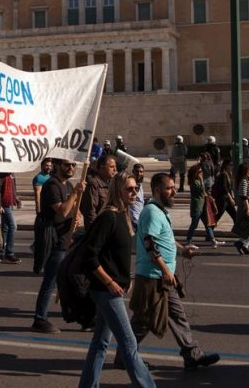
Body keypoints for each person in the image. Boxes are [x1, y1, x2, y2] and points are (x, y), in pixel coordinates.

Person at [129, 172, 220, 371]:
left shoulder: (160, 211)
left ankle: (191, 354)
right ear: (156, 190)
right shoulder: (152, 212)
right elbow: (149, 243)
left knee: (177, 316)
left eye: (173, 187)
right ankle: (125, 356)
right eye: (169, 188)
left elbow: (166, 239)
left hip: (161, 276)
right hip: (153, 277)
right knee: (143, 321)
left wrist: (183, 250)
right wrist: (165, 270)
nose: (173, 192)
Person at [78, 172, 156, 388]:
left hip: (114, 288)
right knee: (129, 343)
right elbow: (90, 255)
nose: (134, 192)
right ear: (118, 191)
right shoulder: (109, 217)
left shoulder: (124, 215)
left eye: (136, 187)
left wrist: (126, 277)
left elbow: (115, 255)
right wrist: (110, 282)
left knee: (100, 343)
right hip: (106, 290)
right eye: (129, 189)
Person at [31, 159, 85, 334]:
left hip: (67, 239)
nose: (70, 168)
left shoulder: (68, 185)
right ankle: (39, 319)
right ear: (58, 166)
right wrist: (75, 194)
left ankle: (80, 315)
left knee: (73, 279)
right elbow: (61, 212)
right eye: (66, 165)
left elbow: (75, 210)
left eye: (73, 165)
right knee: (50, 281)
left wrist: (78, 218)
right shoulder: (52, 185)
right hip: (55, 240)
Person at [185, 165, 223, 248]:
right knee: (194, 225)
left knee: (207, 224)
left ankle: (213, 241)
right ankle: (188, 241)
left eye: (201, 171)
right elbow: (202, 191)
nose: (201, 173)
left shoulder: (198, 181)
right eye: (200, 171)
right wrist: (202, 180)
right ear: (196, 173)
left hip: (203, 206)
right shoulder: (194, 182)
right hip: (197, 207)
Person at [79, 155, 116, 230]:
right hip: (98, 229)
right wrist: (94, 232)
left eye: (115, 167)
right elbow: (90, 212)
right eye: (111, 167)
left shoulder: (110, 183)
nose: (115, 169)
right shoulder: (93, 184)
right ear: (102, 167)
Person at [0, 172, 22, 264]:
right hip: (4, 204)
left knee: (5, 228)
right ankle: (9, 253)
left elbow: (14, 187)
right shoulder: (0, 173)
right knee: (13, 226)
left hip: (10, 203)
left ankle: (1, 252)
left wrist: (16, 198)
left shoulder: (12, 173)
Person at [233, 162, 249, 255]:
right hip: (245, 207)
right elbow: (243, 196)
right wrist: (248, 209)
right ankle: (241, 243)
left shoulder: (246, 180)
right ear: (246, 170)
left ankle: (244, 245)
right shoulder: (243, 181)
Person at [211, 158, 236, 223]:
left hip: (227, 199)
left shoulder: (229, 174)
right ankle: (209, 230)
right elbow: (224, 188)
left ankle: (239, 232)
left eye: (232, 165)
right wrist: (231, 199)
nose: (232, 166)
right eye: (230, 165)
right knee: (217, 216)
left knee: (235, 216)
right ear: (226, 165)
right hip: (222, 199)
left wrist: (232, 197)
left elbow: (230, 187)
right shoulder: (223, 174)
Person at [129, 164, 145, 231]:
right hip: (133, 218)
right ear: (133, 171)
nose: (139, 174)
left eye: (141, 172)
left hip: (140, 217)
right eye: (137, 171)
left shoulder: (140, 184)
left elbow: (139, 200)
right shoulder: (130, 184)